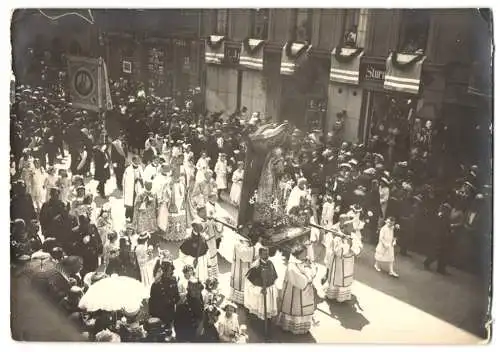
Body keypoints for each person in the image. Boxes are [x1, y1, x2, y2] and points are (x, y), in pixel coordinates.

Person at [277, 245, 318, 335]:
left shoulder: (304, 262)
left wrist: (309, 269)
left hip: (304, 292)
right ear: (298, 254)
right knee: (296, 309)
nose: (306, 255)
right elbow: (301, 281)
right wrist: (309, 272)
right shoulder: (292, 266)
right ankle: (292, 326)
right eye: (304, 253)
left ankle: (303, 326)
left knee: (303, 308)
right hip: (295, 293)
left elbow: (314, 270)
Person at [322, 214, 363, 302]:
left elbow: (359, 248)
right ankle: (333, 295)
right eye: (351, 227)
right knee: (337, 280)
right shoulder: (337, 237)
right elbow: (338, 252)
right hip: (339, 263)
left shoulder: (354, 236)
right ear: (345, 227)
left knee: (346, 281)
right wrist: (347, 245)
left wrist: (351, 244)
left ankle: (344, 297)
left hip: (349, 263)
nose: (353, 229)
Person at [244, 247, 279, 323]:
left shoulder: (270, 263)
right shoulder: (255, 266)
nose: (267, 256)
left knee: (268, 307)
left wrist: (272, 287)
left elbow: (274, 276)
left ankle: (268, 318)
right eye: (265, 254)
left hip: (269, 291)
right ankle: (256, 321)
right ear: (260, 255)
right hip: (260, 293)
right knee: (260, 307)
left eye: (267, 253)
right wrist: (259, 290)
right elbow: (248, 282)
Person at [229, 236, 262, 305]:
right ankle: (240, 301)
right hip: (240, 269)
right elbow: (246, 255)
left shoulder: (244, 240)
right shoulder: (238, 243)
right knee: (241, 283)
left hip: (245, 267)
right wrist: (258, 245)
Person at [149, 259, 180, 328]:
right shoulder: (156, 284)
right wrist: (152, 315)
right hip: (159, 315)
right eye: (170, 270)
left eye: (172, 270)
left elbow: (177, 297)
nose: (172, 272)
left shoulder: (173, 281)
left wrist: (172, 302)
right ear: (164, 271)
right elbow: (152, 300)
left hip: (170, 313)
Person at [123, 156, 143, 221]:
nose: (139, 161)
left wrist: (140, 179)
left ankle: (134, 215)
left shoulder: (140, 168)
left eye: (139, 160)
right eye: (137, 160)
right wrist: (134, 180)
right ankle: (131, 217)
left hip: (138, 187)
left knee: (136, 202)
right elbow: (125, 180)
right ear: (133, 161)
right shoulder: (128, 169)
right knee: (131, 202)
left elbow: (143, 176)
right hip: (131, 189)